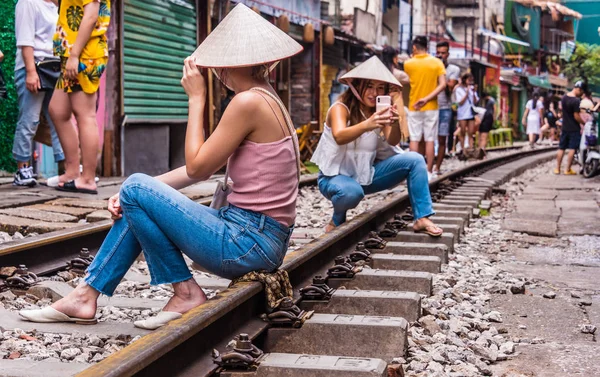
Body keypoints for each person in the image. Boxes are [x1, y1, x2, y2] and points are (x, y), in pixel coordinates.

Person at [19, 3, 302, 330]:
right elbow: (201, 169)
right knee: (138, 192)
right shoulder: (265, 97)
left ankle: (183, 291)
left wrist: (196, 100)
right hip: (256, 238)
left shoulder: (247, 102)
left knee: (137, 189)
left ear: (224, 64)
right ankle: (85, 296)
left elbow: (196, 168)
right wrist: (137, 192)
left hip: (247, 242)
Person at [310, 56, 442, 237]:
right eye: (369, 86)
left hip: (366, 175)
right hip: (334, 179)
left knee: (415, 160)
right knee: (351, 192)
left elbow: (393, 141)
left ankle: (422, 217)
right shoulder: (340, 108)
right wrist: (368, 124)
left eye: (380, 88)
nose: (374, 92)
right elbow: (339, 136)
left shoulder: (380, 111)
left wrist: (395, 122)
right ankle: (337, 218)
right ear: (357, 86)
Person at [48, 0, 111, 194]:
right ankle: (72, 171)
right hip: (73, 54)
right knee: (57, 110)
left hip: (83, 55)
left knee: (85, 114)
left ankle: (88, 179)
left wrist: (74, 55)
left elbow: (91, 14)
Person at [12, 0, 65, 186]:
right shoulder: (28, 2)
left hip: (54, 68)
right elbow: (25, 40)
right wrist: (30, 72)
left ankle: (66, 169)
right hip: (33, 67)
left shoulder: (56, 6)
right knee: (30, 118)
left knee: (59, 119)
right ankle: (22, 169)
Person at [403, 36, 447, 175]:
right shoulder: (437, 63)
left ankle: (412, 171)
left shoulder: (408, 63)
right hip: (431, 106)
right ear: (427, 47)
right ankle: (428, 171)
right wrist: (427, 99)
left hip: (413, 106)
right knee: (430, 140)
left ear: (415, 47)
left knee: (414, 139)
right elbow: (443, 85)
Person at [433, 41, 460, 175]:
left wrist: (441, 70)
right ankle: (428, 167)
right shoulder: (431, 67)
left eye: (443, 53)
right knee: (427, 139)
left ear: (448, 54)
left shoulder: (453, 70)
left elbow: (449, 87)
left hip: (444, 108)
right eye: (438, 53)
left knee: (442, 139)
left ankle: (437, 167)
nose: (440, 55)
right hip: (430, 107)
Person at [555, 81, 585, 175]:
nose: (581, 94)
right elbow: (576, 116)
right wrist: (583, 122)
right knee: (572, 148)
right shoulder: (576, 101)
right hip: (574, 128)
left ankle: (557, 169)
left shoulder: (564, 98)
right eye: (581, 92)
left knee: (561, 148)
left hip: (565, 127)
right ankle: (567, 169)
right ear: (579, 89)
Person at [454, 72, 476, 154]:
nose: (470, 82)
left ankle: (470, 149)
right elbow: (460, 102)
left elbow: (475, 101)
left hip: (471, 113)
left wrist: (473, 93)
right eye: (468, 80)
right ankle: (463, 149)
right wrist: (467, 92)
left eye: (471, 80)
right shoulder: (459, 90)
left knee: (471, 132)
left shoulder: (472, 89)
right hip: (462, 114)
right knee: (462, 132)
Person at [477, 92, 496, 158]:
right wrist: (494, 118)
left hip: (482, 117)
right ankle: (482, 148)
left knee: (481, 134)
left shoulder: (484, 101)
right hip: (487, 118)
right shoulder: (491, 100)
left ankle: (480, 148)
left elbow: (494, 109)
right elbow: (494, 109)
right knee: (484, 134)